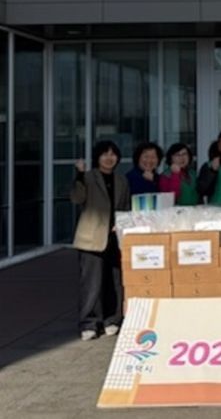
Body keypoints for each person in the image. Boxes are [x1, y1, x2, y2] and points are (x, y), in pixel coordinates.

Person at [70, 140, 130, 341]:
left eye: (113, 154)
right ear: (97, 157)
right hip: (91, 237)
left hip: (114, 236)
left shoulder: (121, 180)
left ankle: (112, 319)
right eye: (105, 154)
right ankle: (89, 323)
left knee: (114, 281)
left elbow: (125, 207)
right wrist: (79, 174)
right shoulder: (88, 177)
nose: (109, 158)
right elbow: (77, 198)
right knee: (91, 283)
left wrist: (122, 225)